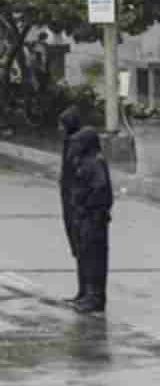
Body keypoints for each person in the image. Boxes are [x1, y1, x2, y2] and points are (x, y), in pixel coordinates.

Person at [69, 128, 113, 314]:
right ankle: (88, 294)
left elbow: (100, 189)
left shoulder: (95, 162)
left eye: (79, 143)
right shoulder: (85, 161)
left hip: (94, 217)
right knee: (85, 255)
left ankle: (95, 298)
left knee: (95, 257)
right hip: (85, 216)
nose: (76, 146)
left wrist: (87, 205)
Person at [58, 107, 84, 303]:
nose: (60, 129)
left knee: (84, 249)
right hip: (68, 201)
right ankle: (82, 291)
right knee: (76, 246)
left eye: (63, 125)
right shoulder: (68, 144)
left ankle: (88, 292)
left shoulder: (79, 146)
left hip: (77, 203)